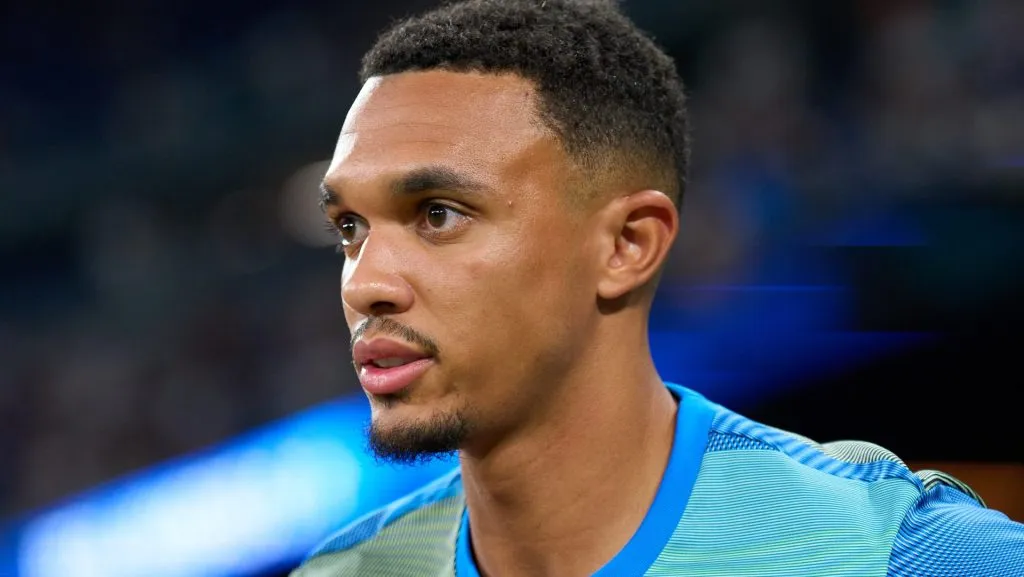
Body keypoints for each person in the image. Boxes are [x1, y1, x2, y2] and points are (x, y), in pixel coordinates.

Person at [291, 0, 1024, 575]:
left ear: (627, 245)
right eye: (350, 228)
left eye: (438, 214)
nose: (366, 283)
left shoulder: (895, 552)